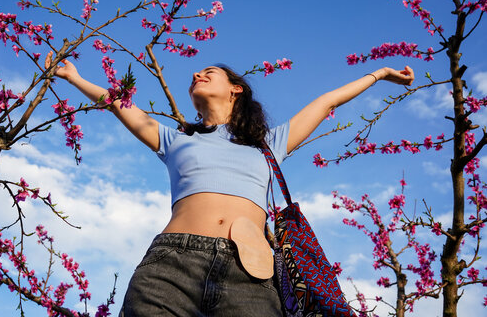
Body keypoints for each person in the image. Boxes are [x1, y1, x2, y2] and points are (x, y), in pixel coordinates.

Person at [45, 52, 414, 316]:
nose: (196, 75)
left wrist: (379, 74)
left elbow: (327, 101)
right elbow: (118, 104)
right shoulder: (176, 140)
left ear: (236, 89)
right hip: (170, 267)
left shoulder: (269, 142)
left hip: (250, 275)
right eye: (194, 75)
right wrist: (74, 78)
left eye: (209, 71)